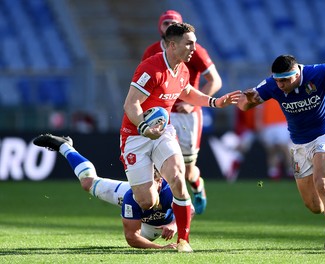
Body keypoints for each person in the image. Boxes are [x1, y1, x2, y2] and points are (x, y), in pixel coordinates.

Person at [120, 22, 241, 253]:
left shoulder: (183, 68)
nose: (194, 48)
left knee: (177, 176)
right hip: (135, 135)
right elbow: (130, 104)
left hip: (164, 131)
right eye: (190, 43)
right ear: (173, 45)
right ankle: (133, 195)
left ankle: (184, 241)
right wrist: (144, 126)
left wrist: (214, 102)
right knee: (146, 201)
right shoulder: (151, 68)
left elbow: (186, 93)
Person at [237, 54, 325, 253]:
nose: (280, 85)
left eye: (285, 80)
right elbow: (244, 105)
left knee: (322, 183)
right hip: (298, 145)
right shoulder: (272, 84)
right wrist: (247, 101)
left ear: (297, 74)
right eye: (277, 80)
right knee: (316, 206)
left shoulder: (319, 72)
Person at [33, 134, 195, 250]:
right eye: (140, 182)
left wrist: (173, 224)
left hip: (158, 227)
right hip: (144, 224)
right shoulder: (132, 195)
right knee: (88, 183)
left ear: (160, 180)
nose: (143, 186)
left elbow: (191, 210)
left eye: (150, 182)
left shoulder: (169, 188)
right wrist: (160, 248)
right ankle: (65, 146)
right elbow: (132, 237)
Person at [142, 10, 223, 215]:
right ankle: (170, 208)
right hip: (163, 115)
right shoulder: (151, 51)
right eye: (166, 22)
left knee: (187, 170)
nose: (169, 26)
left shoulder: (195, 50)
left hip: (187, 115)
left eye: (174, 23)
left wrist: (192, 104)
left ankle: (196, 184)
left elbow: (215, 80)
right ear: (160, 27)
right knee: (162, 166)